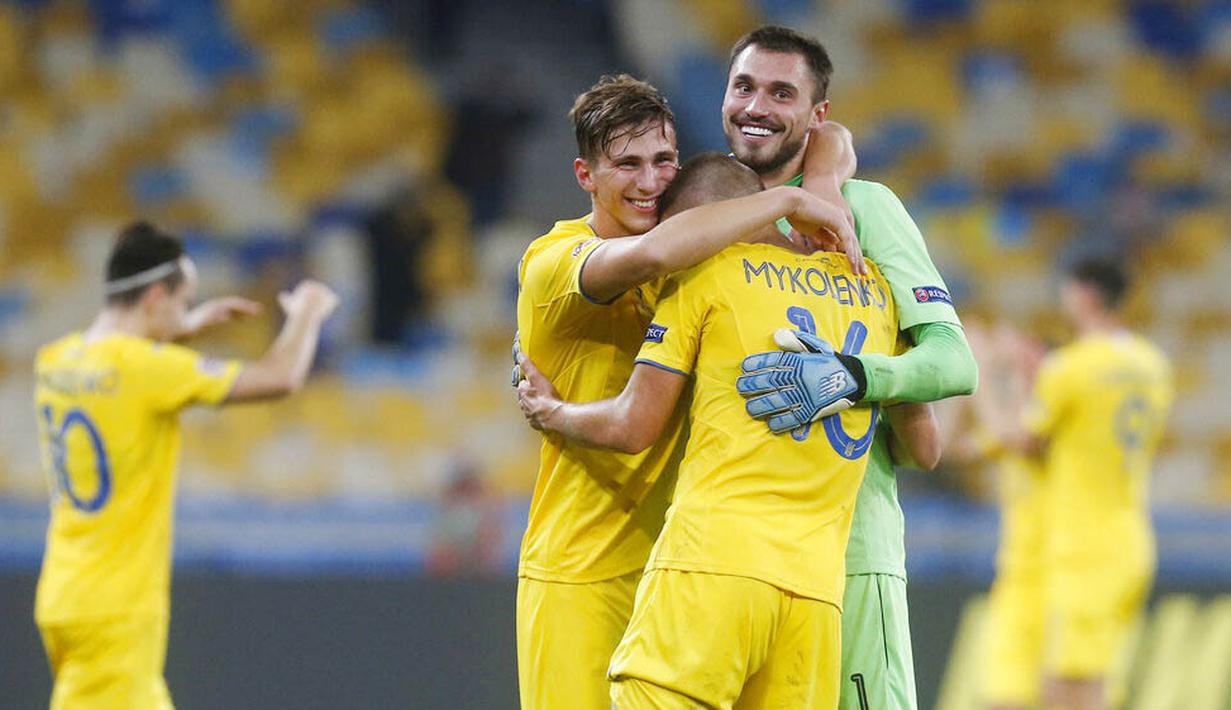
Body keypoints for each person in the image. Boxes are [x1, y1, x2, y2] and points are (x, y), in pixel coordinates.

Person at [518, 153, 940, 708]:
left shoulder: (706, 274)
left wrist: (552, 412)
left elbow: (634, 423)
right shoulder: (874, 287)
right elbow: (925, 446)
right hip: (816, 591)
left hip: (711, 565)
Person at [719, 26, 978, 710]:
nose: (757, 106)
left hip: (849, 554)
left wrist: (855, 376)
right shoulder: (703, 214)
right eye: (743, 86)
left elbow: (951, 360)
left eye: (782, 92)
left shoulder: (868, 210)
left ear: (816, 116)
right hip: (729, 561)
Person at [33, 222, 339, 710]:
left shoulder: (55, 360)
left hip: (65, 594)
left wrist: (183, 325)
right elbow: (279, 377)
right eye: (184, 300)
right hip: (118, 610)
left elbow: (120, 373)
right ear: (156, 295)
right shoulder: (146, 370)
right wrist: (305, 315)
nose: (187, 312)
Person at [985, 258, 1174, 710]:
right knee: (1082, 682)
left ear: (1084, 295)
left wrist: (987, 375)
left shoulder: (1071, 368)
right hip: (1129, 534)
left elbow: (1022, 440)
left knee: (1072, 691)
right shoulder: (1153, 364)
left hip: (1083, 543)